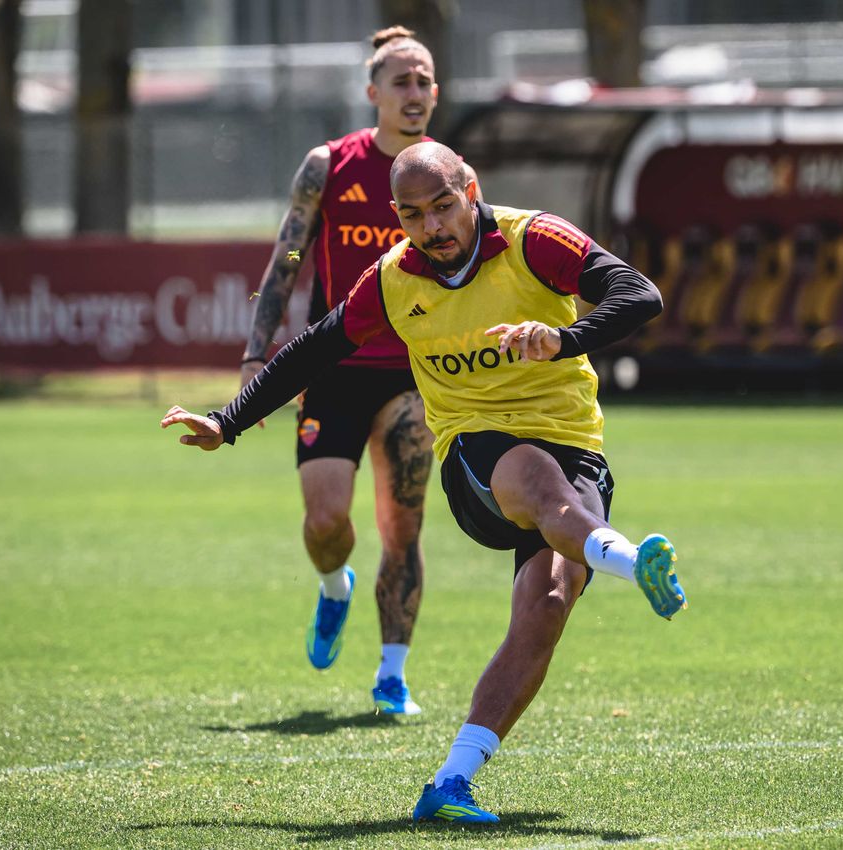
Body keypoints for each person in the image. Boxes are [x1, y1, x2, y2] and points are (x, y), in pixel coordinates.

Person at [163, 141, 687, 824]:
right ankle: (628, 559)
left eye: (444, 206)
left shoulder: (535, 240)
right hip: (478, 452)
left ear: (471, 189)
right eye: (414, 215)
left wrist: (564, 338)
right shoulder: (393, 277)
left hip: (574, 441)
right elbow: (315, 347)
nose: (433, 227)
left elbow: (639, 294)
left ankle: (451, 782)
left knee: (548, 603)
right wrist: (227, 421)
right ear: (397, 218)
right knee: (533, 479)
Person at [239, 26, 463, 715]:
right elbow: (286, 258)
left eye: (425, 80)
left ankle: (392, 675)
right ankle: (333, 586)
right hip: (333, 368)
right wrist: (257, 353)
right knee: (326, 520)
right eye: (402, 81)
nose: (416, 93)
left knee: (404, 528)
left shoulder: (452, 174)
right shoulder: (328, 164)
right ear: (373, 94)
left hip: (412, 372)